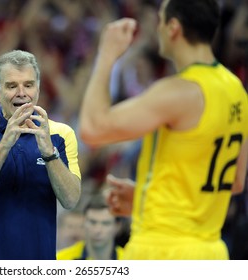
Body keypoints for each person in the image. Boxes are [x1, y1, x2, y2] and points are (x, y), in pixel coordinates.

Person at [79, 0, 248, 260]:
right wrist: (147, 199)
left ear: (173, 28)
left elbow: (93, 128)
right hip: (210, 253)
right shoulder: (236, 90)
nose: (156, 28)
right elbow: (234, 182)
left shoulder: (179, 91)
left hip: (161, 251)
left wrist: (106, 55)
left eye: (160, 20)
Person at [0, 49, 81, 260]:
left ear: (38, 89)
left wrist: (49, 153)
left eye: (28, 85)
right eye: (12, 86)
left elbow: (71, 200)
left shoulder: (61, 134)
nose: (21, 93)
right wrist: (5, 144)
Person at [57, 194, 123, 260]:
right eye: (92, 222)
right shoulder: (61, 259)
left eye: (105, 223)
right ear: (83, 223)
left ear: (117, 227)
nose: (97, 230)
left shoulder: (129, 258)